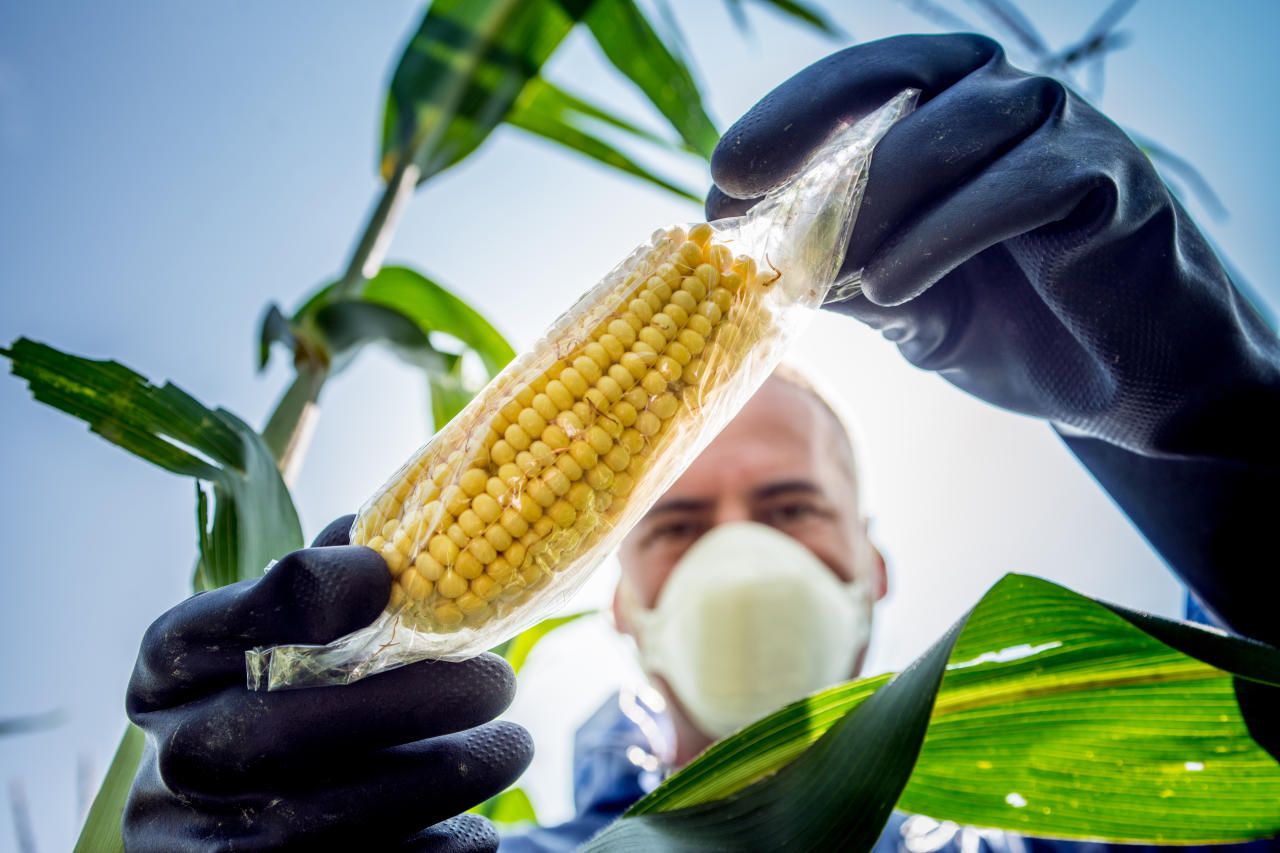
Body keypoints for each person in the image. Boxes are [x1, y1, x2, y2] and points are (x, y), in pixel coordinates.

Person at [121, 33, 1279, 852]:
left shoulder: (1102, 835)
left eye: (788, 507)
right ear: (612, 593)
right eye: (669, 520)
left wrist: (1238, 462)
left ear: (872, 565)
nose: (738, 549)